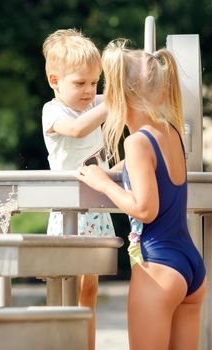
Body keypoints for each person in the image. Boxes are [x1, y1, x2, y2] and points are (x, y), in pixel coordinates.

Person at [77, 39, 207, 350]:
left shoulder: (135, 142)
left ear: (119, 95)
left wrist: (102, 182)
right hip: (190, 266)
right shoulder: (169, 131)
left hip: (158, 267)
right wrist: (113, 171)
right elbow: (150, 171)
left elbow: (145, 209)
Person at [41, 28, 115, 350]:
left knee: (89, 291)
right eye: (80, 83)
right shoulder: (54, 111)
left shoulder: (95, 104)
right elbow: (76, 129)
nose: (89, 91)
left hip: (94, 210)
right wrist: (114, 101)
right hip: (68, 210)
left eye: (94, 83)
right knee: (64, 290)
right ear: (55, 81)